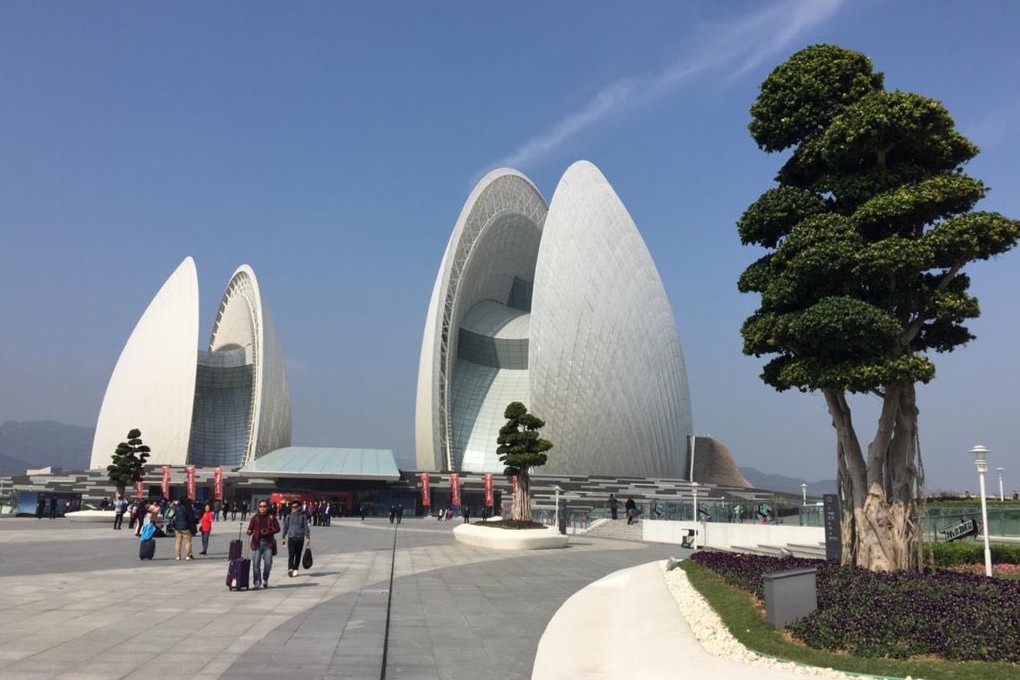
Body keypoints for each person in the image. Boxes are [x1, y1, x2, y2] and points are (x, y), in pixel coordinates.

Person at [246, 500, 280, 589]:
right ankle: (257, 582)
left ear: (267, 507)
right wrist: (249, 532)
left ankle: (265, 578)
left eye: (264, 506)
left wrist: (269, 532)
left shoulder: (271, 517)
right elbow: (250, 529)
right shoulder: (255, 518)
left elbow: (278, 528)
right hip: (256, 543)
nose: (262, 508)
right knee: (256, 564)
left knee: (268, 563)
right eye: (260, 506)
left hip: (268, 543)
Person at [281, 500, 311, 578]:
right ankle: (290, 569)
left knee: (298, 554)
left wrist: (307, 537)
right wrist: (283, 537)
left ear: (299, 507)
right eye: (292, 507)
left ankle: (296, 569)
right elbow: (285, 527)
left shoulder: (303, 517)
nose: (293, 508)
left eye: (295, 507)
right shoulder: (289, 516)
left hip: (300, 538)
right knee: (291, 554)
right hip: (291, 537)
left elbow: (306, 527)